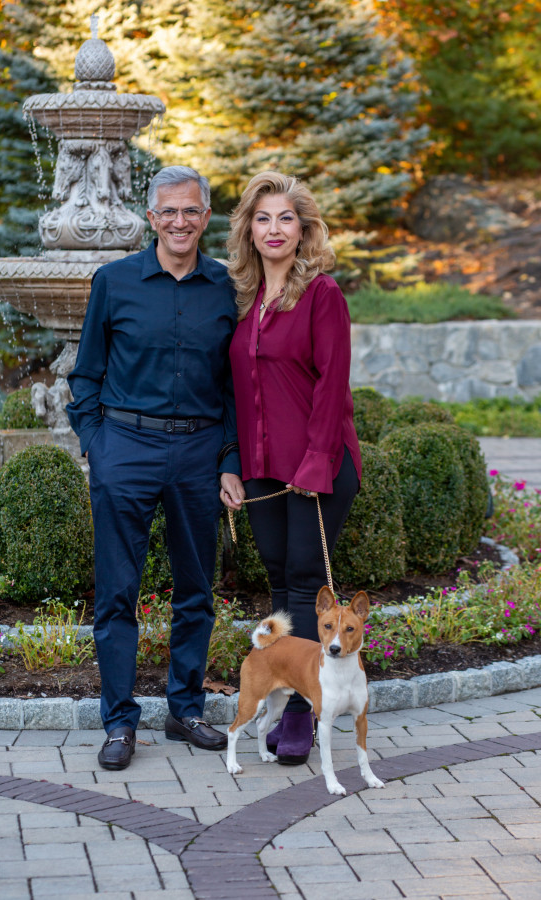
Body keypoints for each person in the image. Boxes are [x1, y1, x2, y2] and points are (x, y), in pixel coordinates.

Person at [67, 165, 245, 770]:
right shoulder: (114, 282)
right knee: (118, 592)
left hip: (198, 455)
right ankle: (119, 724)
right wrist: (97, 444)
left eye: (190, 211)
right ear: (151, 218)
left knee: (196, 588)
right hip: (125, 449)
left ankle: (185, 709)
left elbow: (231, 391)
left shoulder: (225, 288)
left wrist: (230, 459)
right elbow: (85, 373)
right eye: (168, 212)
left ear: (205, 217)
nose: (179, 222)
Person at [222, 171, 361, 766]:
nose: (274, 229)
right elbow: (233, 392)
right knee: (279, 580)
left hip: (318, 465)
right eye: (263, 218)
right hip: (259, 468)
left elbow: (333, 385)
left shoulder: (321, 293)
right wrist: (231, 463)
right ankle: (290, 699)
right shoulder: (244, 299)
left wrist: (313, 464)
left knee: (306, 580)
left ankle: (304, 718)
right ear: (249, 230)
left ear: (302, 228)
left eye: (285, 218)